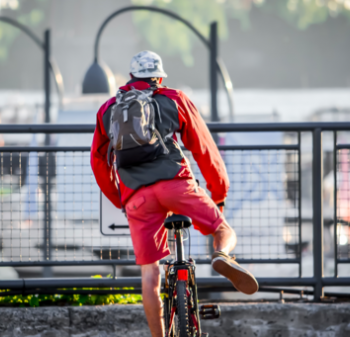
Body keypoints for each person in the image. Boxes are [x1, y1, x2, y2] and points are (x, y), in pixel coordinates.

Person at [91, 50, 258, 337]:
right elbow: (204, 148)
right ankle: (221, 255)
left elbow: (98, 161)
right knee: (223, 229)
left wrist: (122, 199)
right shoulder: (174, 99)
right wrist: (218, 193)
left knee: (150, 273)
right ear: (159, 77)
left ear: (131, 77)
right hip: (176, 185)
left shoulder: (108, 109)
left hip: (137, 198)